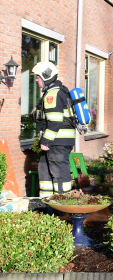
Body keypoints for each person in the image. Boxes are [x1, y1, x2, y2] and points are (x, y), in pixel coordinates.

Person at [31, 61, 76, 197]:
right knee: (44, 172)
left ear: (46, 77)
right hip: (56, 142)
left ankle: (62, 208)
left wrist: (45, 141)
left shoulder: (53, 95)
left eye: (38, 77)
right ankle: (47, 206)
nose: (37, 80)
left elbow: (55, 121)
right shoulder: (56, 91)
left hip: (57, 142)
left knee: (59, 175)